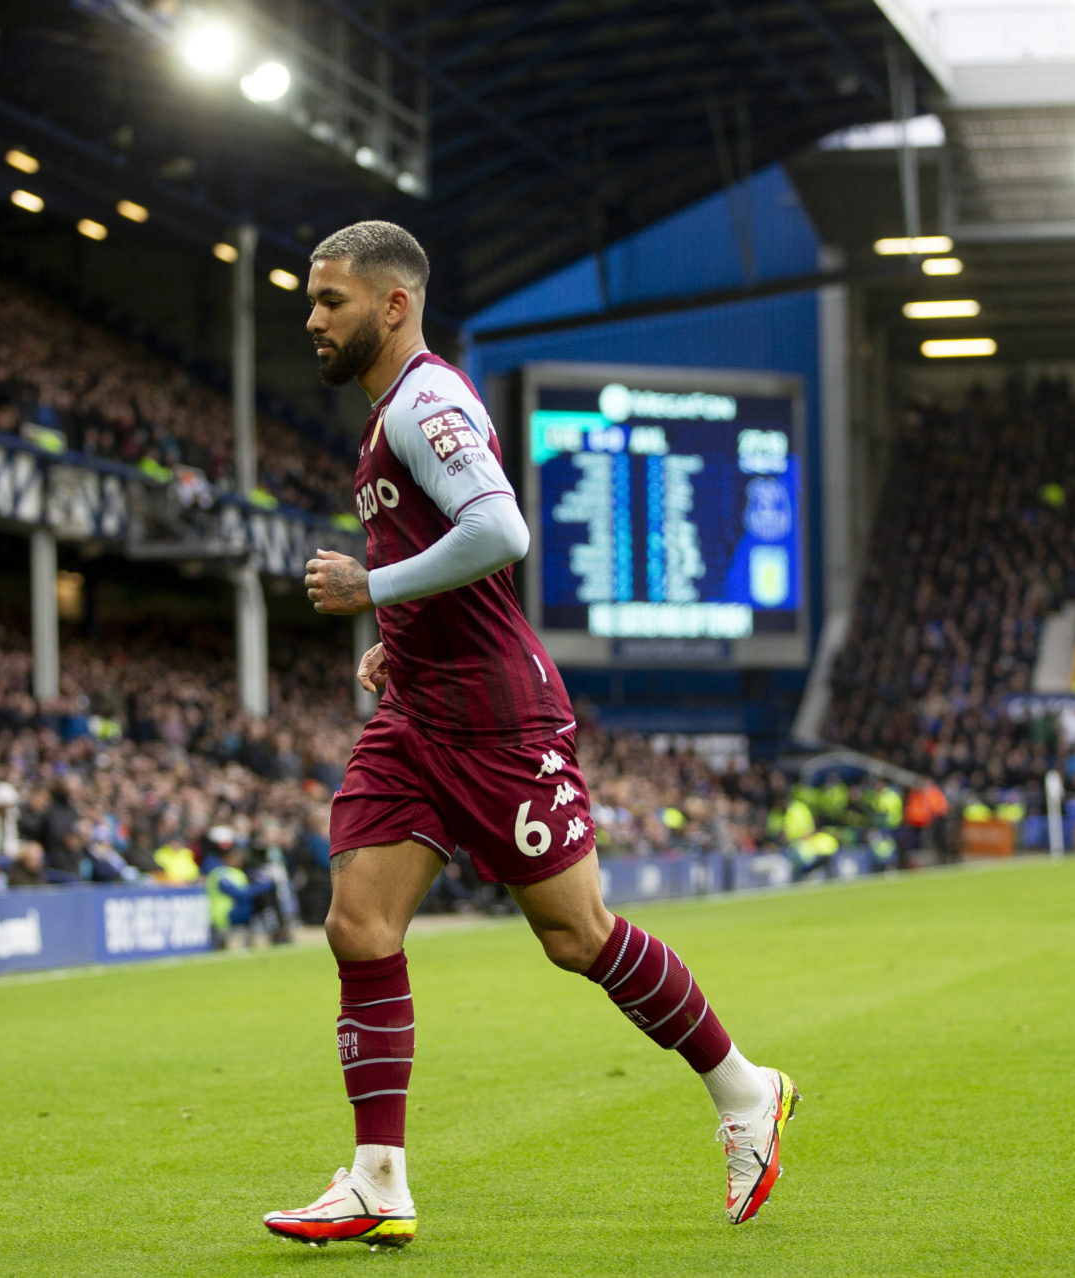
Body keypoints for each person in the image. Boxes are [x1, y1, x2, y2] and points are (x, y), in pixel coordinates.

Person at [266, 222, 794, 1250]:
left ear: (391, 304)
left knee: (575, 935)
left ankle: (744, 1090)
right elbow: (452, 555)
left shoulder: (427, 399)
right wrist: (395, 633)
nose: (311, 318)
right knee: (358, 926)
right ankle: (377, 1178)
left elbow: (500, 531)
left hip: (499, 717)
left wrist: (372, 589)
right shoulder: (387, 417)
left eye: (330, 300)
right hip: (417, 710)